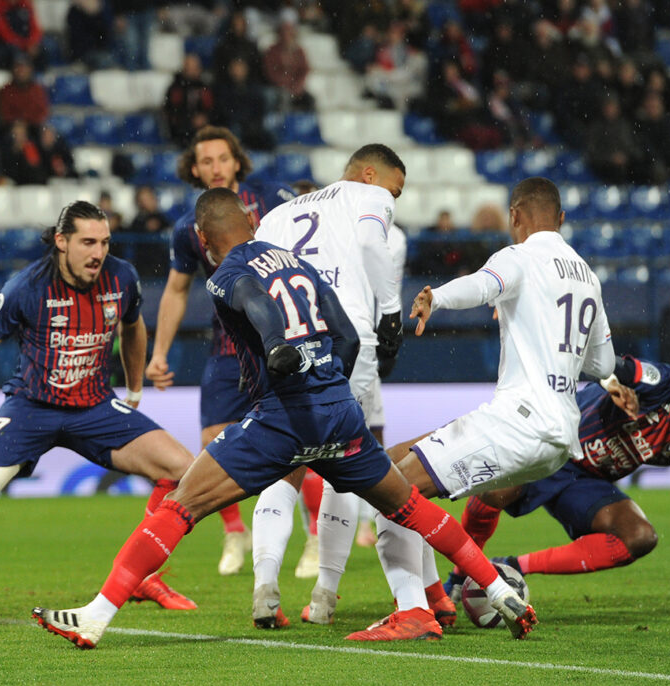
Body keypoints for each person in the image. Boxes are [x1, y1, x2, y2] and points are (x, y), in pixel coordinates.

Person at [31, 188, 537, 649]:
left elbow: (254, 301)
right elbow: (345, 334)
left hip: (284, 418)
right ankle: (497, 589)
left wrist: (277, 348)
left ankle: (96, 617)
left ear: (204, 239)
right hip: (339, 410)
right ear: (252, 224)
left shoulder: (225, 275)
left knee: (181, 504)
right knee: (408, 506)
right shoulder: (297, 261)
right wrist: (324, 377)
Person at [345, 176, 617, 639]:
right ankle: (438, 600)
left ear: (514, 216)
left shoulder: (519, 257)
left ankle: (416, 611)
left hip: (519, 421)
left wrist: (437, 296)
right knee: (403, 473)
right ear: (562, 219)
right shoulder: (587, 275)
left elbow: (482, 284)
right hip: (558, 441)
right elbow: (603, 362)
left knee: (388, 488)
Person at [0, 200, 197, 611]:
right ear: (61, 241)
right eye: (88, 242)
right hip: (30, 408)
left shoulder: (122, 277)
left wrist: (133, 390)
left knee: (184, 471)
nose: (98, 253)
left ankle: (142, 578)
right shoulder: (27, 287)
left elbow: (133, 329)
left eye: (105, 242)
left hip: (95, 407)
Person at [247, 144, 409, 630]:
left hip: (286, 340)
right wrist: (392, 312)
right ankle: (324, 596)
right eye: (395, 190)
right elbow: (368, 245)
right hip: (346, 338)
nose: (395, 200)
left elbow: (250, 277)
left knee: (283, 463)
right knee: (349, 464)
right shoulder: (369, 198)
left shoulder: (277, 214)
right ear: (369, 174)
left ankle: (264, 584)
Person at [445, 352, 670, 610]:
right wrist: (614, 386)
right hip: (554, 445)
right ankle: (458, 578)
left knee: (640, 537)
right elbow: (610, 366)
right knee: (493, 491)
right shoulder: (660, 381)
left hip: (586, 482)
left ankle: (512, 566)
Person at [145, 125, 294, 576]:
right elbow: (174, 290)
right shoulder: (186, 227)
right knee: (213, 439)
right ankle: (234, 530)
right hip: (229, 345)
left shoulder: (273, 202)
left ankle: (312, 540)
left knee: (300, 442)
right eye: (205, 161)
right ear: (194, 169)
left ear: (236, 162)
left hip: (283, 338)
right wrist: (159, 353)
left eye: (222, 159)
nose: (215, 167)